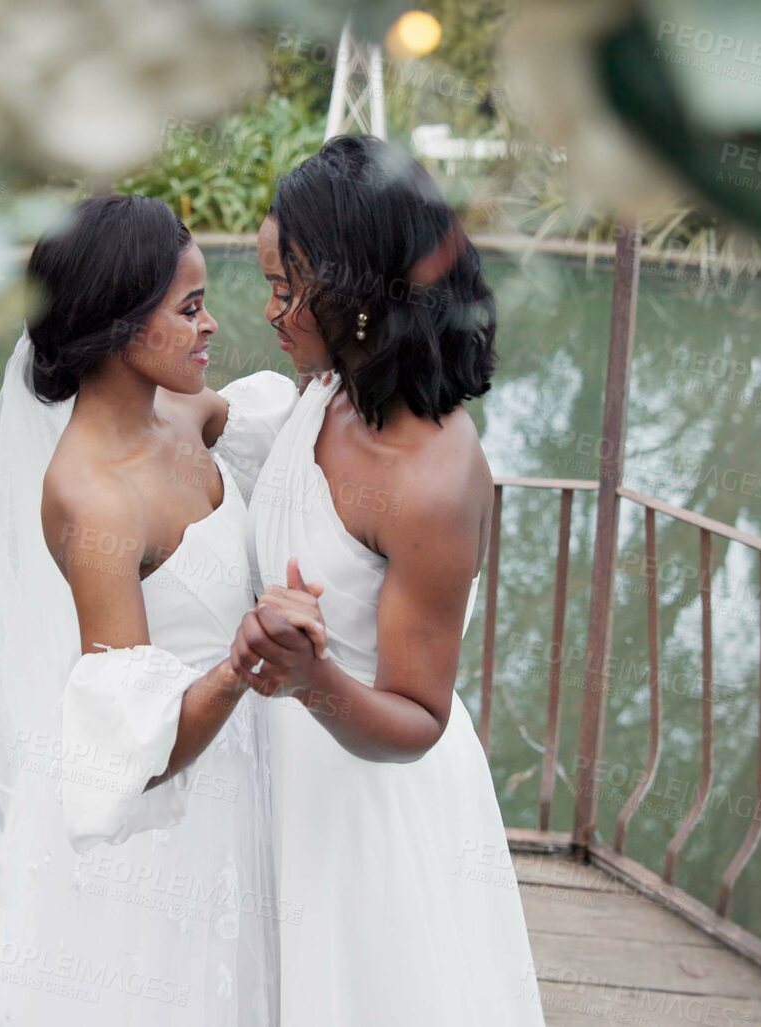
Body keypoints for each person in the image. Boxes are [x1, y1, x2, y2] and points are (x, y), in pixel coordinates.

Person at [0, 194, 301, 1026]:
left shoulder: (184, 412)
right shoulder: (95, 500)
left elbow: (276, 420)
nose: (211, 326)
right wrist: (245, 658)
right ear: (116, 323)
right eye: (190, 308)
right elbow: (132, 752)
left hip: (262, 756)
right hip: (179, 823)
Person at [235, 135, 546, 1026]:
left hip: (371, 814)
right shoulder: (327, 389)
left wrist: (311, 678)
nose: (270, 311)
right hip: (283, 777)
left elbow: (416, 717)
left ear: (359, 288)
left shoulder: (432, 479)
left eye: (287, 286)